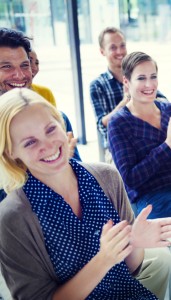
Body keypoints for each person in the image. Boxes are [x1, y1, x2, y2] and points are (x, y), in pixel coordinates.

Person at [1, 88, 171, 299]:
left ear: (63, 127)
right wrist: (104, 259)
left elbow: (132, 269)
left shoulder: (107, 177)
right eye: (30, 142)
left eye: (51, 129)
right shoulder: (11, 218)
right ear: (11, 152)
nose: (48, 145)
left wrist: (134, 241)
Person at [108, 51, 171, 219]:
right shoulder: (118, 123)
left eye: (153, 76)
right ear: (126, 82)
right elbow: (131, 179)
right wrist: (167, 145)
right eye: (141, 78)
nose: (149, 84)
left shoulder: (168, 109)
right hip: (152, 198)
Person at [90, 27, 167, 163]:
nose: (119, 51)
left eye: (122, 46)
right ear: (102, 51)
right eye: (113, 47)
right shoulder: (98, 85)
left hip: (151, 137)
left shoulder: (140, 74)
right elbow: (102, 125)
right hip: (119, 147)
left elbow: (162, 101)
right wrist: (126, 100)